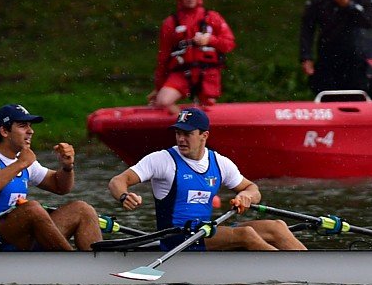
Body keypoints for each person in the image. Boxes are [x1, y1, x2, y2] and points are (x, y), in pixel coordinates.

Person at [107, 107, 306, 252]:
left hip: (205, 233)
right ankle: (293, 273)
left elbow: (253, 188)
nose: (181, 139)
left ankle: (310, 269)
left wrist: (247, 195)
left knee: (277, 226)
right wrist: (124, 196)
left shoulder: (219, 163)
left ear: (204, 135)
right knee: (246, 234)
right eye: (178, 133)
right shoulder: (162, 160)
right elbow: (117, 181)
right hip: (177, 239)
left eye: (187, 134)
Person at [0, 104, 102, 251]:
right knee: (32, 208)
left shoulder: (24, 161)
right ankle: (71, 262)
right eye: (23, 126)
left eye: (30, 126)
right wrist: (21, 163)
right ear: (4, 131)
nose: (30, 131)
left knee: (82, 209)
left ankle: (96, 265)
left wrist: (67, 167)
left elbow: (59, 186)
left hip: (21, 240)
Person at [149, 0, 236, 114]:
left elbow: (229, 44)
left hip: (207, 73)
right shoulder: (170, 23)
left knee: (209, 108)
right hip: (182, 72)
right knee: (163, 102)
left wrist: (210, 40)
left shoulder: (213, 17)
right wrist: (159, 87)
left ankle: (201, 131)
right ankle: (184, 128)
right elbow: (163, 58)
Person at [299, 0, 372, 95]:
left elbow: (369, 21)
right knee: (324, 89)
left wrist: (348, 5)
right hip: (328, 54)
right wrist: (306, 57)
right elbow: (307, 27)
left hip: (354, 54)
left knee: (356, 91)